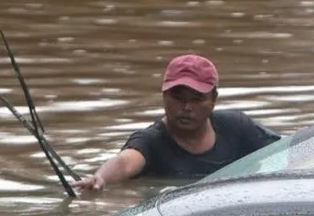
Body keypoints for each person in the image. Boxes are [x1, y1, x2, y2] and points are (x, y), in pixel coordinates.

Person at [75, 54, 282, 192]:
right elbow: (125, 162)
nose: (186, 107)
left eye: (197, 98)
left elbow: (286, 151)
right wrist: (100, 179)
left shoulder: (237, 128)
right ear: (164, 97)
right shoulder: (152, 141)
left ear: (213, 100)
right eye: (178, 97)